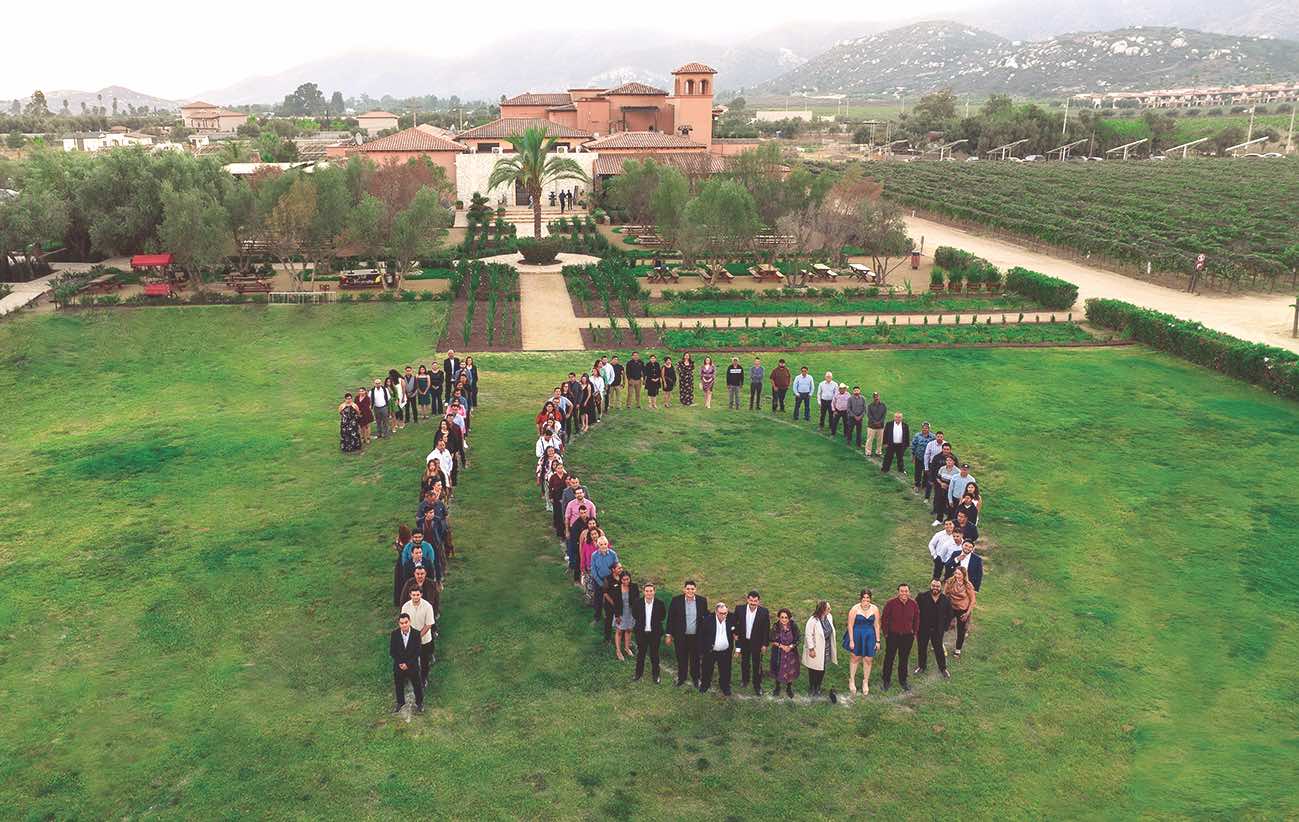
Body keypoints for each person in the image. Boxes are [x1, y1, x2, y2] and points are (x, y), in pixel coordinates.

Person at [666, 580, 707, 688]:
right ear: (684, 589)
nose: (690, 591)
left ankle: (696, 678)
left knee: (695, 659)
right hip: (681, 636)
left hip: (696, 636)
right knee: (681, 658)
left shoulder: (702, 601)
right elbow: (670, 618)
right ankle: (681, 677)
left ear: (695, 589)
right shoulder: (676, 600)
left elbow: (705, 617)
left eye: (692, 589)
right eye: (688, 589)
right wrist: (669, 634)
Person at [880, 583, 919, 692]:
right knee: (889, 658)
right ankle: (886, 680)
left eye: (906, 591)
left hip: (907, 636)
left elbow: (916, 619)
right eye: (902, 591)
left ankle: (903, 680)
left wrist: (914, 633)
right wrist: (886, 634)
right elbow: (884, 619)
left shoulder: (913, 604)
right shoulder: (891, 603)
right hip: (893, 635)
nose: (904, 593)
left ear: (909, 592)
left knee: (904, 658)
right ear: (898, 592)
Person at [843, 588, 879, 696]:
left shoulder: (875, 609)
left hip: (869, 636)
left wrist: (877, 640)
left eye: (868, 598)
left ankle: (865, 681)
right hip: (857, 635)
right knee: (855, 657)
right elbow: (850, 625)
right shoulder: (854, 609)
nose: (866, 600)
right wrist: (852, 640)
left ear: (870, 599)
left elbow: (876, 625)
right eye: (864, 598)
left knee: (868, 659)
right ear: (860, 598)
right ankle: (852, 680)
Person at [733, 590, 770, 695]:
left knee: (757, 664)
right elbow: (735, 623)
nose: (753, 603)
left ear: (759, 601)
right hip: (744, 641)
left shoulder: (764, 612)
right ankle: (745, 680)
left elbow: (766, 629)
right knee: (744, 662)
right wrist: (735, 633)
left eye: (755, 601)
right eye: (751, 600)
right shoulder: (739, 609)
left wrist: (764, 644)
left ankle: (757, 685)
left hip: (757, 643)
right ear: (747, 600)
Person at [914, 578, 952, 679]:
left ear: (941, 587)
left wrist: (945, 627)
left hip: (937, 630)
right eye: (933, 586)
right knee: (922, 647)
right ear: (930, 586)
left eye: (938, 586)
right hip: (923, 628)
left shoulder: (946, 600)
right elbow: (915, 611)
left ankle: (943, 668)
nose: (935, 588)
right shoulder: (921, 597)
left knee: (938, 648)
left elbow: (949, 615)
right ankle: (921, 666)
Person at [801, 601, 838, 700]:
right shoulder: (813, 620)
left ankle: (818, 687)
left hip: (826, 647)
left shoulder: (829, 617)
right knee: (813, 669)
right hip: (815, 648)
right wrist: (811, 649)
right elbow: (808, 635)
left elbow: (831, 630)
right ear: (822, 610)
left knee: (822, 668)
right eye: (828, 608)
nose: (830, 610)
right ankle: (812, 687)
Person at [401, 587, 436, 688]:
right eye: (413, 595)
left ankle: (424, 678)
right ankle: (409, 677)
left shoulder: (427, 606)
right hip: (410, 639)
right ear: (410, 595)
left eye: (417, 595)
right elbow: (403, 622)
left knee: (424, 661)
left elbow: (429, 624)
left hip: (424, 640)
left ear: (421, 594)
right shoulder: (405, 607)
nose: (415, 597)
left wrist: (417, 637)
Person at [698, 602, 735, 696]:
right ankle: (705, 685)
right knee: (707, 669)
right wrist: (702, 650)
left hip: (725, 652)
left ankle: (725, 687)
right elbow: (701, 636)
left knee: (726, 670)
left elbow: (737, 634)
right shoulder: (707, 620)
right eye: (721, 613)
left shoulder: (731, 619)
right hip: (710, 651)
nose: (723, 615)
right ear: (716, 612)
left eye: (725, 613)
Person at [389, 613, 423, 713]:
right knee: (398, 684)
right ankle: (400, 702)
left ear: (409, 622)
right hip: (399, 665)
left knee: (417, 684)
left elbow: (417, 651)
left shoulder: (416, 634)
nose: (404, 625)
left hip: (412, 665)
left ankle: (420, 703)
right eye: (401, 623)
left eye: (406, 622)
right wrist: (400, 663)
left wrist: (407, 664)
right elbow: (392, 651)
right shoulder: (394, 634)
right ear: (399, 624)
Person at [633, 582, 666, 683]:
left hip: (654, 634)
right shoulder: (637, 603)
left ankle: (656, 675)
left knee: (654, 655)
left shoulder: (660, 603)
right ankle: (638, 674)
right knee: (641, 655)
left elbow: (662, 616)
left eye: (651, 591)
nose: (649, 593)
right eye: (647, 591)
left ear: (654, 591)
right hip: (641, 633)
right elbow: (635, 615)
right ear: (644, 592)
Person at [943, 566, 977, 659]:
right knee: (943, 625)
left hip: (963, 610)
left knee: (961, 630)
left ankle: (958, 650)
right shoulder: (950, 581)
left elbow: (972, 600)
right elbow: (944, 594)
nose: (957, 575)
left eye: (959, 574)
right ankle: (938, 644)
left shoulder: (968, 585)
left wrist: (967, 613)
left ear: (964, 575)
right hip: (951, 608)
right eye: (956, 573)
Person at [768, 608, 800, 698]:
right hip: (779, 652)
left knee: (791, 670)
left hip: (791, 653)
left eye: (786, 617)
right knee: (778, 669)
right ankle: (777, 687)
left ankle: (789, 688)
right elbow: (771, 639)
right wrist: (782, 646)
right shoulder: (776, 626)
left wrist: (790, 647)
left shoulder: (793, 626)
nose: (784, 619)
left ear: (789, 618)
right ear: (779, 617)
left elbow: (798, 639)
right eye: (782, 617)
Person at [590, 537, 620, 624]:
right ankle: (597, 617)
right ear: (598, 545)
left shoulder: (613, 554)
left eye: (605, 544)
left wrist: (615, 577)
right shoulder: (594, 555)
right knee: (598, 600)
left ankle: (613, 617)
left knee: (611, 598)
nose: (603, 546)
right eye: (601, 544)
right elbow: (593, 571)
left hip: (610, 579)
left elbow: (616, 565)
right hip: (598, 579)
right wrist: (600, 583)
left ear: (607, 544)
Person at [612, 571, 637, 661]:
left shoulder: (634, 586)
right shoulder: (616, 588)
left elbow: (637, 600)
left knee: (629, 630)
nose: (626, 581)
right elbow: (615, 603)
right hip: (620, 613)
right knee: (619, 631)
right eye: (624, 579)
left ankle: (627, 647)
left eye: (628, 579)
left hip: (630, 612)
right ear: (621, 579)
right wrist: (617, 616)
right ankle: (618, 651)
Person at [925, 435, 955, 509]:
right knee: (937, 496)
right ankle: (935, 509)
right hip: (938, 480)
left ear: (950, 450)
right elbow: (932, 469)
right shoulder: (936, 457)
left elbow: (956, 470)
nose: (946, 451)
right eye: (944, 449)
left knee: (947, 496)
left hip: (949, 482)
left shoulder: (954, 458)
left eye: (947, 449)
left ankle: (945, 510)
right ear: (942, 449)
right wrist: (932, 479)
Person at [933, 454, 959, 525]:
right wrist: (941, 483)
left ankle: (949, 520)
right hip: (942, 489)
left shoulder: (957, 471)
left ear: (954, 462)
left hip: (951, 491)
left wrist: (949, 486)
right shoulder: (942, 468)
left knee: (950, 505)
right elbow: (938, 478)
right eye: (947, 460)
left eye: (950, 460)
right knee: (940, 503)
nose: (948, 462)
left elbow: (957, 483)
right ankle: (939, 519)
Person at [911, 422, 935, 494]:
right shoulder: (917, 435)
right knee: (917, 472)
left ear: (929, 429)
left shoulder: (932, 437)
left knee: (926, 472)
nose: (925, 429)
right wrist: (913, 456)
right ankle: (917, 485)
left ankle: (924, 485)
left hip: (928, 459)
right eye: (924, 427)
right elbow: (913, 446)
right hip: (919, 457)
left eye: (927, 428)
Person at [864, 392, 886, 457]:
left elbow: (884, 415)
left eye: (877, 396)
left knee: (880, 440)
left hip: (880, 426)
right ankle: (868, 452)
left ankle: (878, 452)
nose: (876, 398)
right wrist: (875, 422)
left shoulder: (883, 405)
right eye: (875, 397)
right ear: (873, 398)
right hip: (871, 426)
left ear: (879, 397)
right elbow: (869, 416)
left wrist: (879, 422)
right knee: (869, 439)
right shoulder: (870, 406)